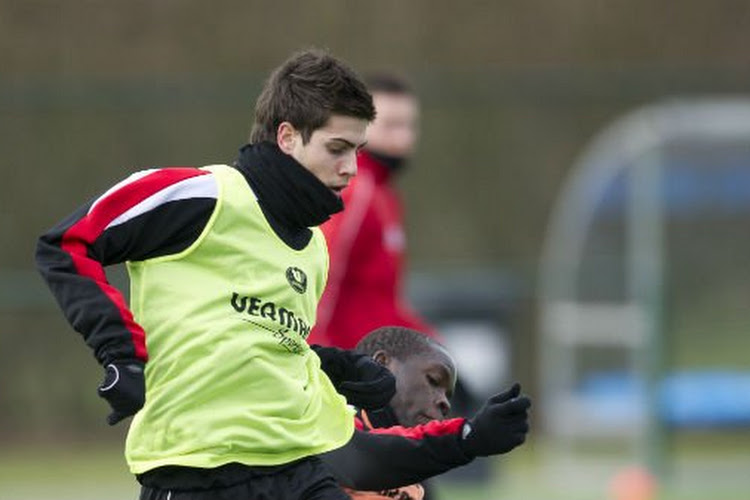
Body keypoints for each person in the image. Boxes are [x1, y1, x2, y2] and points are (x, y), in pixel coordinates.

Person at [35, 48, 398, 500]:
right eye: (337, 148)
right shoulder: (204, 195)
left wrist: (343, 368)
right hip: (193, 473)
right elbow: (67, 243)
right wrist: (121, 353)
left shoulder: (314, 246)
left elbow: (267, 348)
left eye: (358, 151)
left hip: (294, 470)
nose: (351, 168)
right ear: (287, 137)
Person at [321, 326, 532, 500]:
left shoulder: (417, 478)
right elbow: (364, 456)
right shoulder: (322, 421)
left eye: (449, 396)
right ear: (382, 363)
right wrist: (469, 435)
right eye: (433, 380)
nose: (444, 402)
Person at [309, 73, 435, 349]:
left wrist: (430, 342)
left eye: (409, 126)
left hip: (380, 363)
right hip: (353, 367)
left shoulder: (384, 196)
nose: (403, 138)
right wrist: (317, 357)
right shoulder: (354, 190)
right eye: (391, 125)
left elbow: (382, 300)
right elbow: (320, 279)